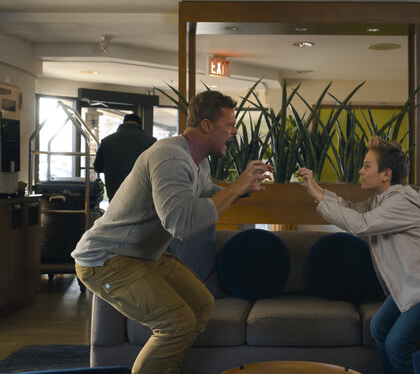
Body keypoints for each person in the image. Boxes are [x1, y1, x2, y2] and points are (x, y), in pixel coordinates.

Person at [72, 90, 272, 374]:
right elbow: (181, 224)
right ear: (206, 126)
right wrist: (236, 187)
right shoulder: (170, 157)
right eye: (229, 125)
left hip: (144, 255)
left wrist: (243, 190)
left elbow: (206, 193)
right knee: (176, 323)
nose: (234, 132)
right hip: (107, 260)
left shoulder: (199, 161)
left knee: (201, 304)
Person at [296, 136, 420, 374]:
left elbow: (360, 224)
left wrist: (317, 194)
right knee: (378, 327)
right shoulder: (382, 200)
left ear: (386, 175)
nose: (361, 171)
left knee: (396, 344)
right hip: (418, 281)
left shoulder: (400, 203)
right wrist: (313, 188)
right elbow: (351, 209)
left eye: (367, 166)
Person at [93, 113, 156, 200]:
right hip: (142, 194)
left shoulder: (106, 141)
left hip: (115, 194)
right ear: (139, 125)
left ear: (124, 123)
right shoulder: (151, 141)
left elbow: (97, 167)